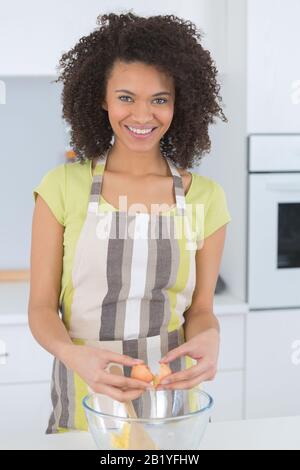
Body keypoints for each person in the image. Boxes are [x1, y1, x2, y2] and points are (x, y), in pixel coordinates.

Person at [28, 12, 232, 434]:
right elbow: (42, 308)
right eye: (126, 97)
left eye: (160, 99)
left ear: (180, 103)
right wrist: (73, 355)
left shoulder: (206, 197)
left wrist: (210, 337)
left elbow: (202, 311)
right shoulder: (62, 187)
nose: (143, 115)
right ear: (101, 98)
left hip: (168, 404)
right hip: (86, 403)